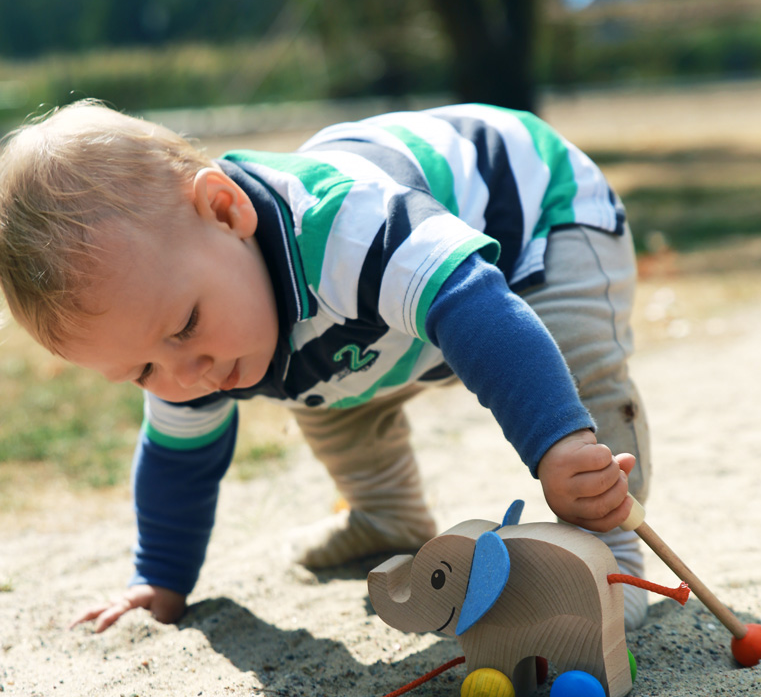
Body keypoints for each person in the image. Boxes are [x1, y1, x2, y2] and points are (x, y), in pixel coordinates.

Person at [0, 100, 651, 634]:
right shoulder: (175, 333)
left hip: (533, 223)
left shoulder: (348, 227)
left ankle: (612, 555)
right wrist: (159, 579)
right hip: (385, 322)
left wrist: (557, 447)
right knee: (324, 388)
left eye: (187, 327)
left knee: (573, 365)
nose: (184, 375)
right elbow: (179, 459)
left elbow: (477, 309)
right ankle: (386, 516)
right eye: (140, 371)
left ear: (226, 213)